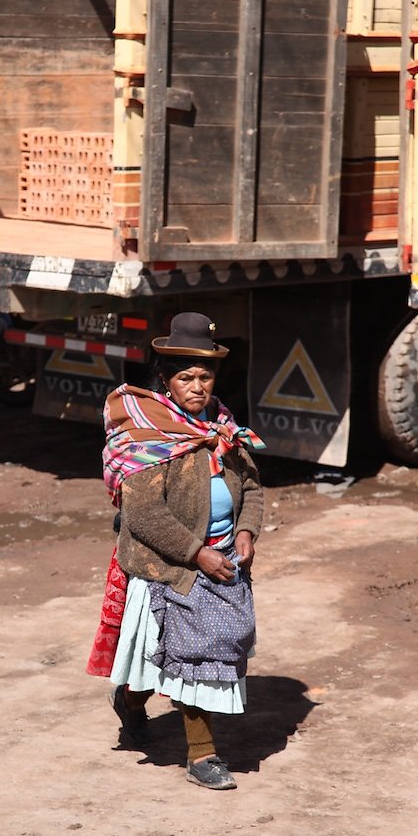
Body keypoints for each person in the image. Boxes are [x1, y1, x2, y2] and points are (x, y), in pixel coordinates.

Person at [88, 311, 265, 790]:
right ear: (165, 380)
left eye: (205, 376)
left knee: (194, 655)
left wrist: (247, 529)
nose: (197, 386)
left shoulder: (220, 427)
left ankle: (130, 698)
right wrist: (196, 553)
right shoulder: (148, 432)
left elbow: (250, 485)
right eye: (186, 377)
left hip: (224, 560)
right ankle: (201, 755)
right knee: (185, 658)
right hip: (169, 567)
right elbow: (144, 515)